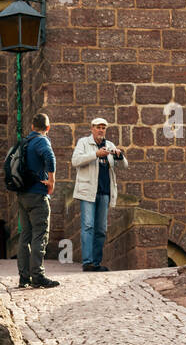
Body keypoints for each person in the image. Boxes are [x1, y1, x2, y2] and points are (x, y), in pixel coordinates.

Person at [71, 117, 128, 272]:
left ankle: (96, 263)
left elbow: (124, 166)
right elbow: (75, 161)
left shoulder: (109, 145)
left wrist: (119, 156)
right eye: (98, 127)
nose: (101, 130)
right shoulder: (84, 142)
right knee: (88, 226)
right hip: (87, 191)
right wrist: (95, 154)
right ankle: (88, 262)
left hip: (104, 192)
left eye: (103, 127)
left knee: (101, 229)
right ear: (92, 128)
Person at [17, 112, 61, 289]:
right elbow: (50, 157)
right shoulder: (42, 140)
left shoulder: (24, 142)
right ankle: (38, 275)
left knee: (25, 236)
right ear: (48, 128)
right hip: (37, 194)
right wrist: (52, 180)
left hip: (22, 195)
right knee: (40, 234)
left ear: (32, 126)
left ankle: (23, 277)